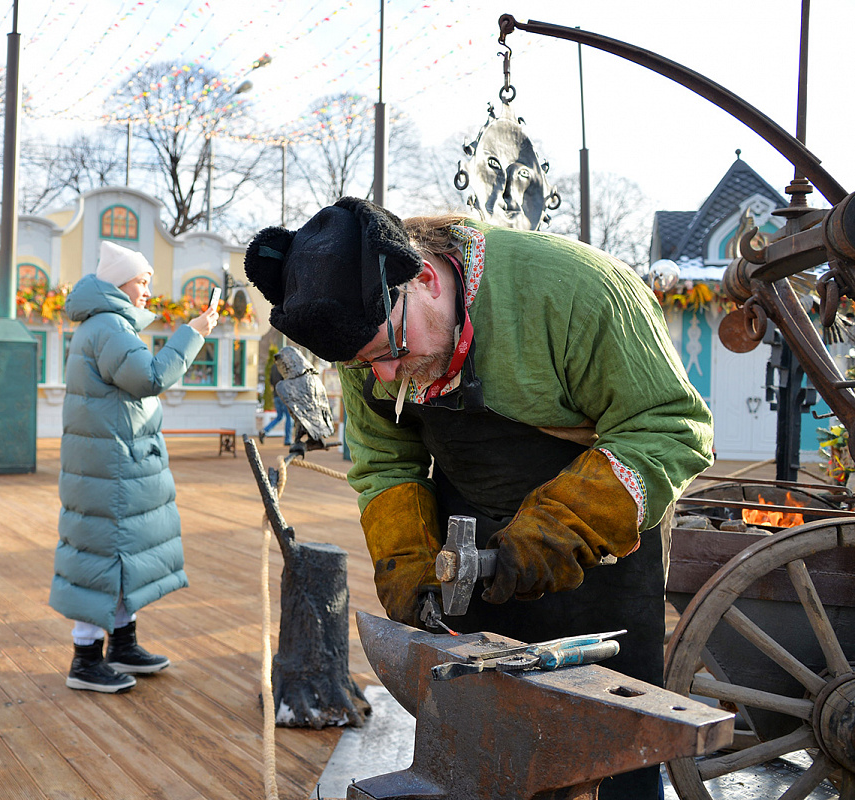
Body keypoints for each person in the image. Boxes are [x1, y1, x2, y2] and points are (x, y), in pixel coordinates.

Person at [244, 197, 713, 800]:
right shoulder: (372, 342)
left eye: (390, 353)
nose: (384, 378)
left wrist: (563, 524)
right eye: (365, 367)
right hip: (467, 554)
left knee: (613, 754)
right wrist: (408, 559)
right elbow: (386, 462)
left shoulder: (581, 291)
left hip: (605, 562)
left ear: (426, 278)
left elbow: (670, 426)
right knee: (486, 751)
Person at [50, 240, 218, 693]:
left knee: (115, 553)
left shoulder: (105, 324)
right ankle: (85, 660)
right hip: (112, 466)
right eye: (142, 280)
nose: (147, 289)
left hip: (113, 462)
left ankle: (122, 643)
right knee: (101, 555)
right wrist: (194, 332)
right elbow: (149, 377)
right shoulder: (110, 327)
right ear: (119, 281)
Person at [258, 352, 294, 445]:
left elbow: (270, 382)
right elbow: (288, 380)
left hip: (276, 395)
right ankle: (288, 440)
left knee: (279, 417)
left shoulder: (273, 367)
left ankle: (264, 431)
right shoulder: (283, 368)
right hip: (284, 396)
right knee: (288, 418)